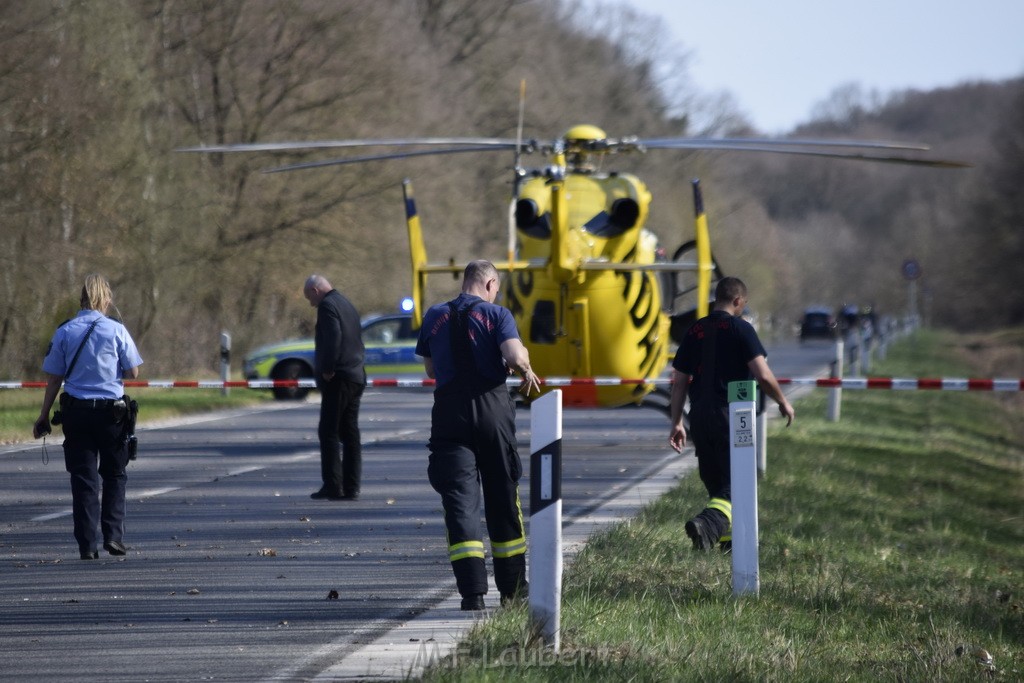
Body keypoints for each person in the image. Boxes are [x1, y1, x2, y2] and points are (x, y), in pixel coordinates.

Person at [415, 260, 541, 611]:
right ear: (489, 284)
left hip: (449, 415)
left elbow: (429, 367)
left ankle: (472, 593)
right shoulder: (497, 314)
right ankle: (513, 591)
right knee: (503, 496)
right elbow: (513, 353)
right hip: (492, 412)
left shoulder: (434, 315)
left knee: (459, 502)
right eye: (496, 288)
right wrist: (526, 368)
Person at [668, 276, 794, 551]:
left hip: (699, 415)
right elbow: (763, 374)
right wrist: (782, 401)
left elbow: (679, 382)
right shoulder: (741, 329)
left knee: (716, 484)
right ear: (738, 301)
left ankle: (728, 544)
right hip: (731, 416)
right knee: (737, 485)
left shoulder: (695, 330)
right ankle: (707, 524)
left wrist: (677, 422)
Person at [33, 274, 144, 560]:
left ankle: (87, 545)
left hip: (76, 414)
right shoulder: (116, 330)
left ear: (81, 298)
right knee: (115, 474)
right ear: (105, 299)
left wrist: (44, 415)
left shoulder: (65, 331)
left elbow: (54, 377)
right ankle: (113, 537)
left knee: (84, 479)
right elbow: (133, 372)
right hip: (111, 415)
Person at [303, 274, 366, 501]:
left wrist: (328, 368)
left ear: (315, 290)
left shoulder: (328, 306)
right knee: (349, 432)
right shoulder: (346, 303)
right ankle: (352, 486)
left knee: (328, 431)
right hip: (356, 375)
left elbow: (333, 337)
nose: (311, 303)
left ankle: (333, 485)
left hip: (338, 377)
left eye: (310, 298)